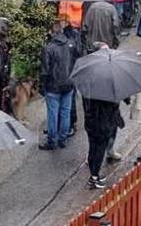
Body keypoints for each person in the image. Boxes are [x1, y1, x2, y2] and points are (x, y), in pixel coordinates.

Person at [39, 22, 75, 150]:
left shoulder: (48, 48)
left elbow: (45, 70)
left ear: (51, 32)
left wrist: (42, 86)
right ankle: (63, 138)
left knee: (53, 114)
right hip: (69, 84)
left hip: (53, 86)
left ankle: (52, 140)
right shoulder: (71, 44)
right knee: (65, 112)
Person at [83, 95, 121, 189]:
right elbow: (113, 110)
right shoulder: (110, 95)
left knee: (92, 148)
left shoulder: (92, 90)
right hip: (103, 126)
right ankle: (94, 178)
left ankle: (93, 174)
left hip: (91, 123)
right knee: (99, 151)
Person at [60, 15, 83, 136]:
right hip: (64, 70)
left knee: (71, 99)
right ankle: (64, 124)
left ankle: (72, 122)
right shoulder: (59, 35)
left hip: (71, 69)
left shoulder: (74, 34)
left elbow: (78, 51)